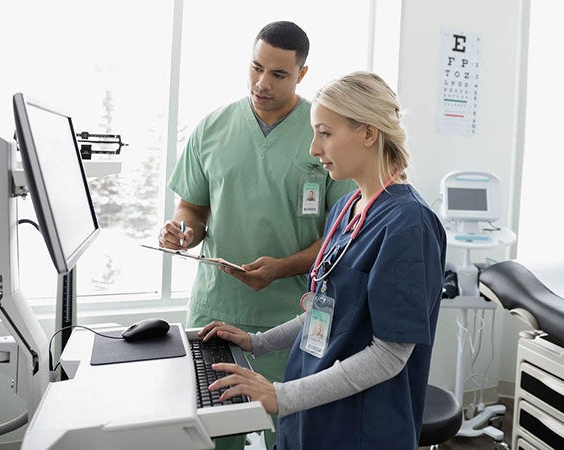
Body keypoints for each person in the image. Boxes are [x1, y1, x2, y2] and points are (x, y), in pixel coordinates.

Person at [199, 71, 447, 449]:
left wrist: (281, 396)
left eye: (325, 133)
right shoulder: (346, 210)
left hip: (360, 428)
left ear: (368, 133)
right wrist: (257, 342)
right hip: (311, 413)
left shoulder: (408, 225)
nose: (314, 149)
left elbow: (388, 357)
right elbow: (326, 309)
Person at [159, 21, 355, 450]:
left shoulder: (322, 133)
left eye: (279, 74)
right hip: (218, 310)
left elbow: (343, 233)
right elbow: (193, 206)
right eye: (255, 68)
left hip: (295, 317)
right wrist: (184, 232)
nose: (262, 83)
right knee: (215, 434)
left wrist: (283, 267)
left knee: (289, 436)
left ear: (302, 74)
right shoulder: (212, 127)